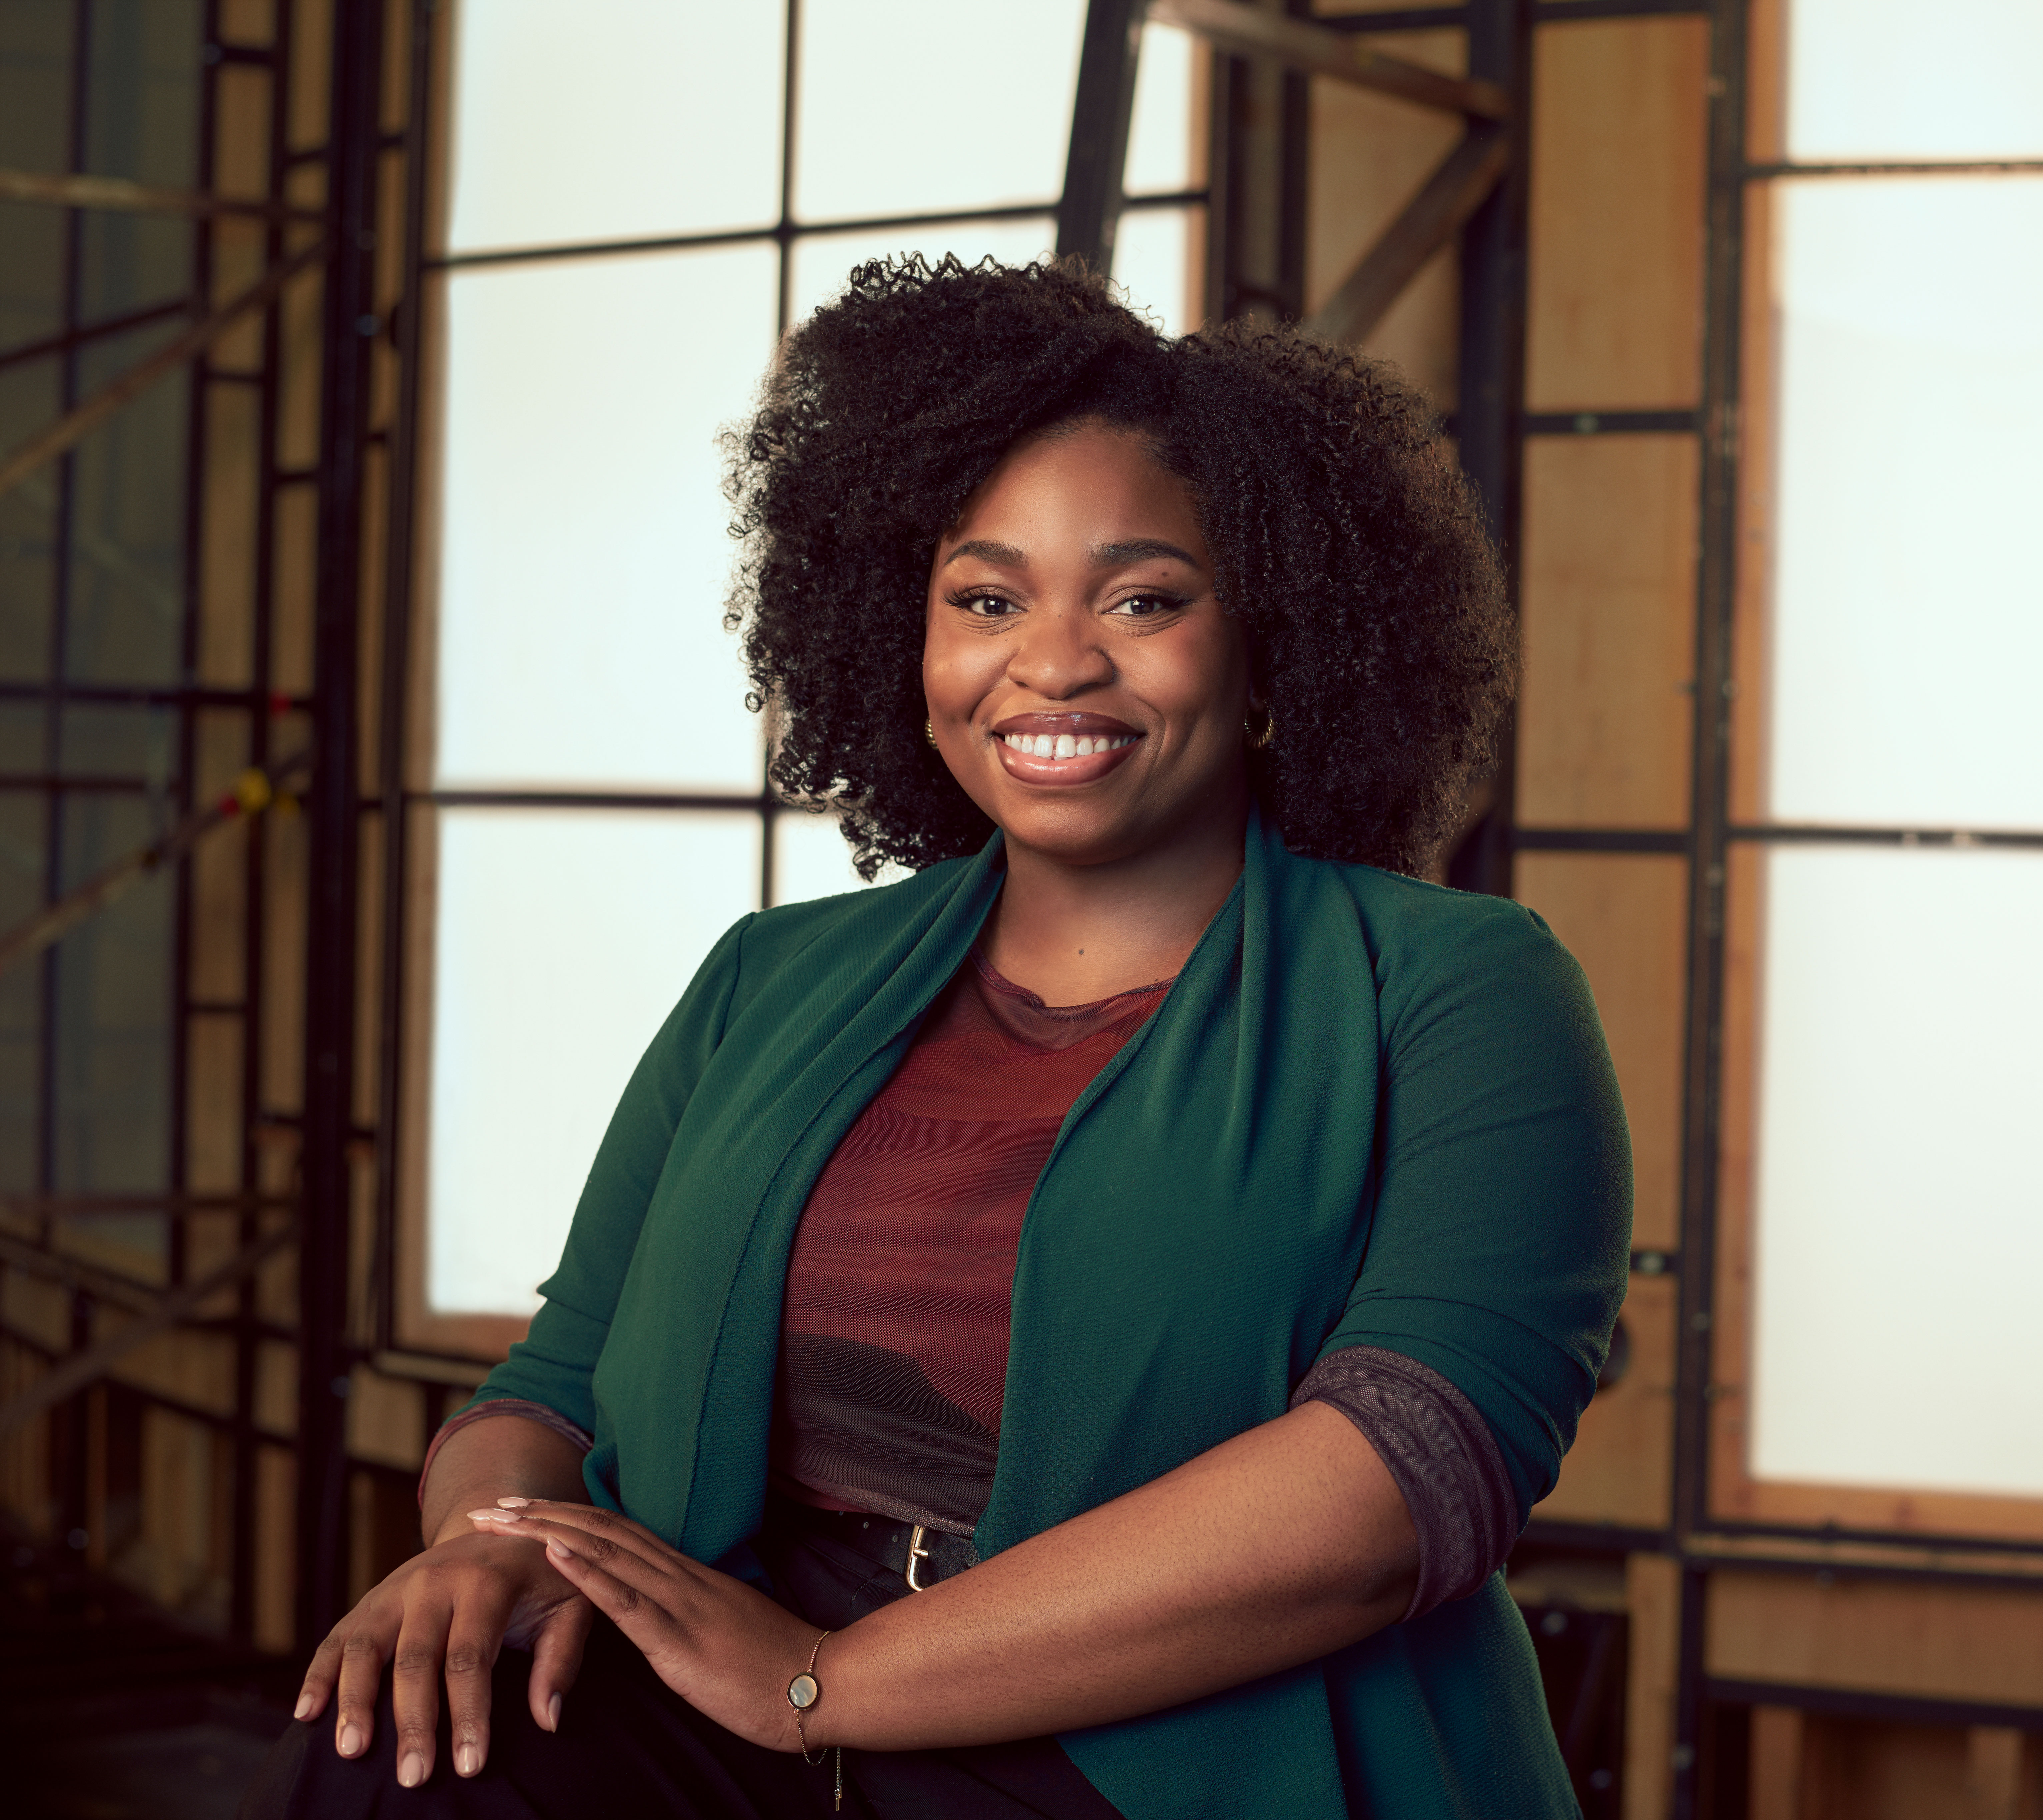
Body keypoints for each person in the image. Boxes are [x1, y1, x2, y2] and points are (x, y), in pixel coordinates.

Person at [243, 256, 1632, 1820]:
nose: (1052, 661)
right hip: (727, 1682)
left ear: (1269, 649)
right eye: (985, 599)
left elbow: (1405, 1473)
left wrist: (819, 1681)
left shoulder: (1456, 989)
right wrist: (491, 1545)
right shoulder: (768, 982)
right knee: (384, 1758)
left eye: (1143, 598)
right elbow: (559, 1385)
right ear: (902, 643)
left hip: (1162, 1738)